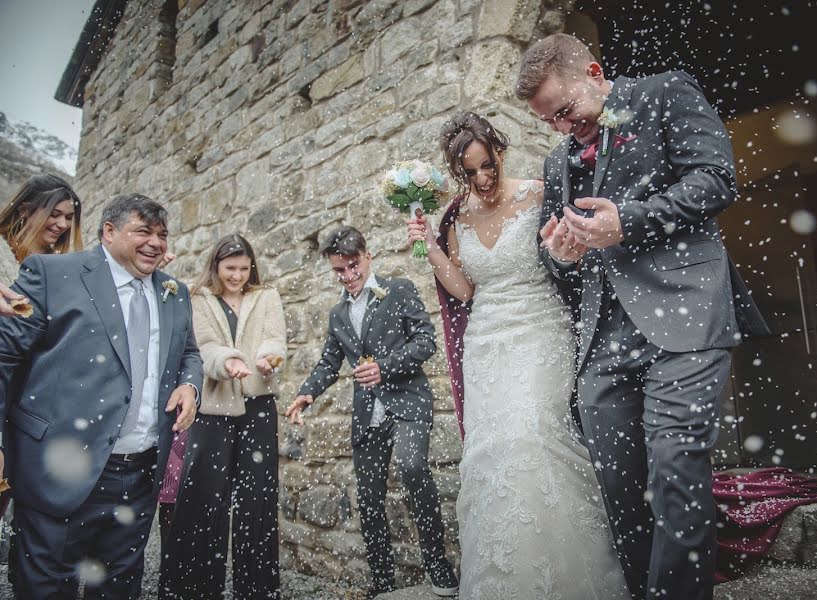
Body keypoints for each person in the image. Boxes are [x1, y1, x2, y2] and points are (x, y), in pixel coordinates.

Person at [516, 34, 769, 600]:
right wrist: (560, 256)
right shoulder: (558, 161)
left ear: (594, 72)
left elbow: (715, 179)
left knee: (676, 469)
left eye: (565, 111)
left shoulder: (664, 94)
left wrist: (627, 221)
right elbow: (562, 262)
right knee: (620, 490)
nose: (561, 128)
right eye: (549, 121)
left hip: (684, 314)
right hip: (603, 342)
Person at [407, 111, 629, 599]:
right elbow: (464, 291)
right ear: (457, 173)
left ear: (500, 151)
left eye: (488, 165)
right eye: (470, 173)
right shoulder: (455, 218)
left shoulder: (538, 192)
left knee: (532, 435)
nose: (483, 180)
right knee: (489, 455)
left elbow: (569, 261)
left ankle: (574, 578)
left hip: (541, 330)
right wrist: (429, 247)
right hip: (487, 343)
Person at [0, 193, 203, 598]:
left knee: (118, 587)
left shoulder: (174, 292)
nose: (155, 243)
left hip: (140, 473)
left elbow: (190, 353)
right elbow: (5, 357)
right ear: (108, 232)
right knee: (44, 588)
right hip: (58, 468)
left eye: (162, 235)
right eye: (142, 231)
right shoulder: (52, 273)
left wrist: (190, 384)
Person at [284, 226, 458, 599]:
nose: (348, 276)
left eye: (353, 266)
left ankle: (438, 566)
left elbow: (426, 342)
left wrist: (385, 365)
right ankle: (382, 582)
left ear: (367, 256)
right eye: (339, 271)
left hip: (409, 402)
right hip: (368, 414)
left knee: (413, 468)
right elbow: (329, 363)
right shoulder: (337, 314)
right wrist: (305, 395)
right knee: (368, 496)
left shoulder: (399, 290)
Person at [159, 233, 286, 599]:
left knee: (257, 499)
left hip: (258, 407)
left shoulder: (267, 296)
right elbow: (204, 346)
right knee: (203, 497)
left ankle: (257, 588)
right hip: (213, 409)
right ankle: (193, 587)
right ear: (216, 266)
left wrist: (269, 358)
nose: (237, 276)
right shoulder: (198, 298)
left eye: (244, 268)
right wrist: (227, 361)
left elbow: (275, 338)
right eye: (230, 268)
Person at [0, 173, 83, 316]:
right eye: (54, 214)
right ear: (24, 210)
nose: (63, 224)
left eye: (69, 217)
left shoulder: (68, 268)